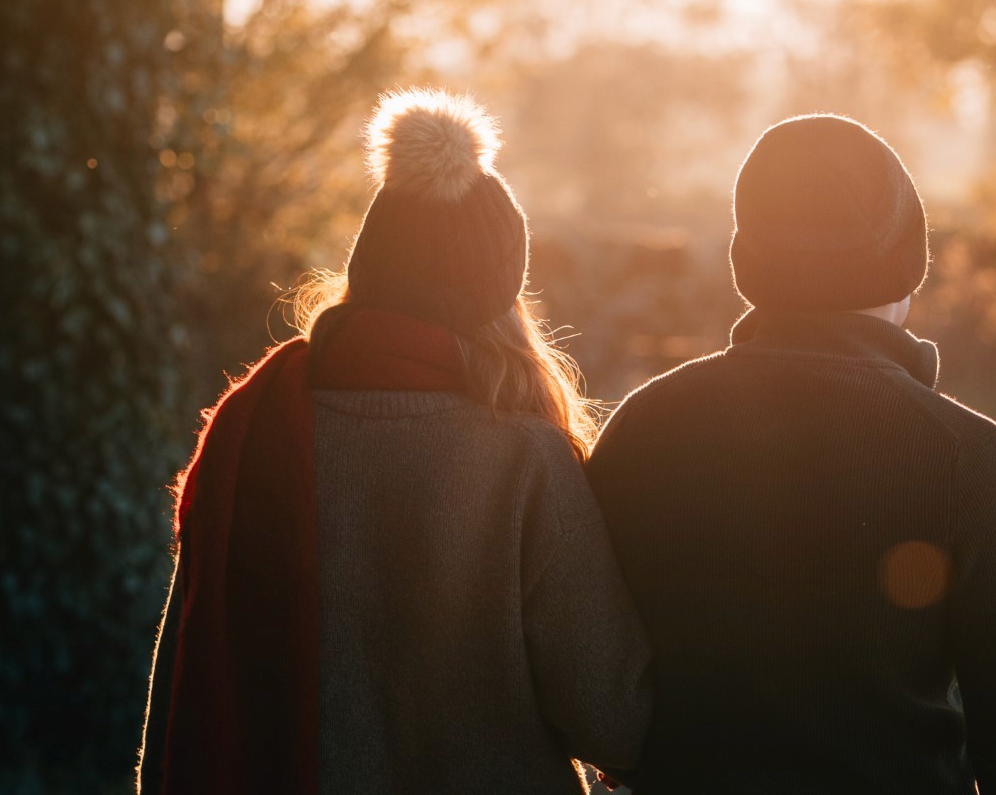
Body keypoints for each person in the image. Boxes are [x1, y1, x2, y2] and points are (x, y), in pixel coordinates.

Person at [138, 89, 651, 795]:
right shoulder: (523, 461)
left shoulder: (255, 439)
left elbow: (182, 691)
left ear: (366, 269)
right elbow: (612, 718)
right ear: (498, 296)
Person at [586, 114, 996, 794]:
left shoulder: (643, 428)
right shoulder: (975, 460)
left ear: (746, 264)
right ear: (911, 264)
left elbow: (594, 684)